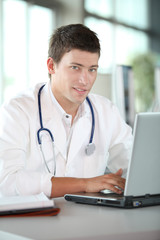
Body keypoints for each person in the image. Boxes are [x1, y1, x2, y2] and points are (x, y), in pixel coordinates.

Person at [0, 24, 133, 198]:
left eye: (92, 69)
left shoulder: (106, 111)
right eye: (75, 67)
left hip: (91, 220)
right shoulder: (17, 110)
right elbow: (6, 182)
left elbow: (134, 168)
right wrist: (85, 184)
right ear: (51, 66)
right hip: (32, 221)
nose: (85, 80)